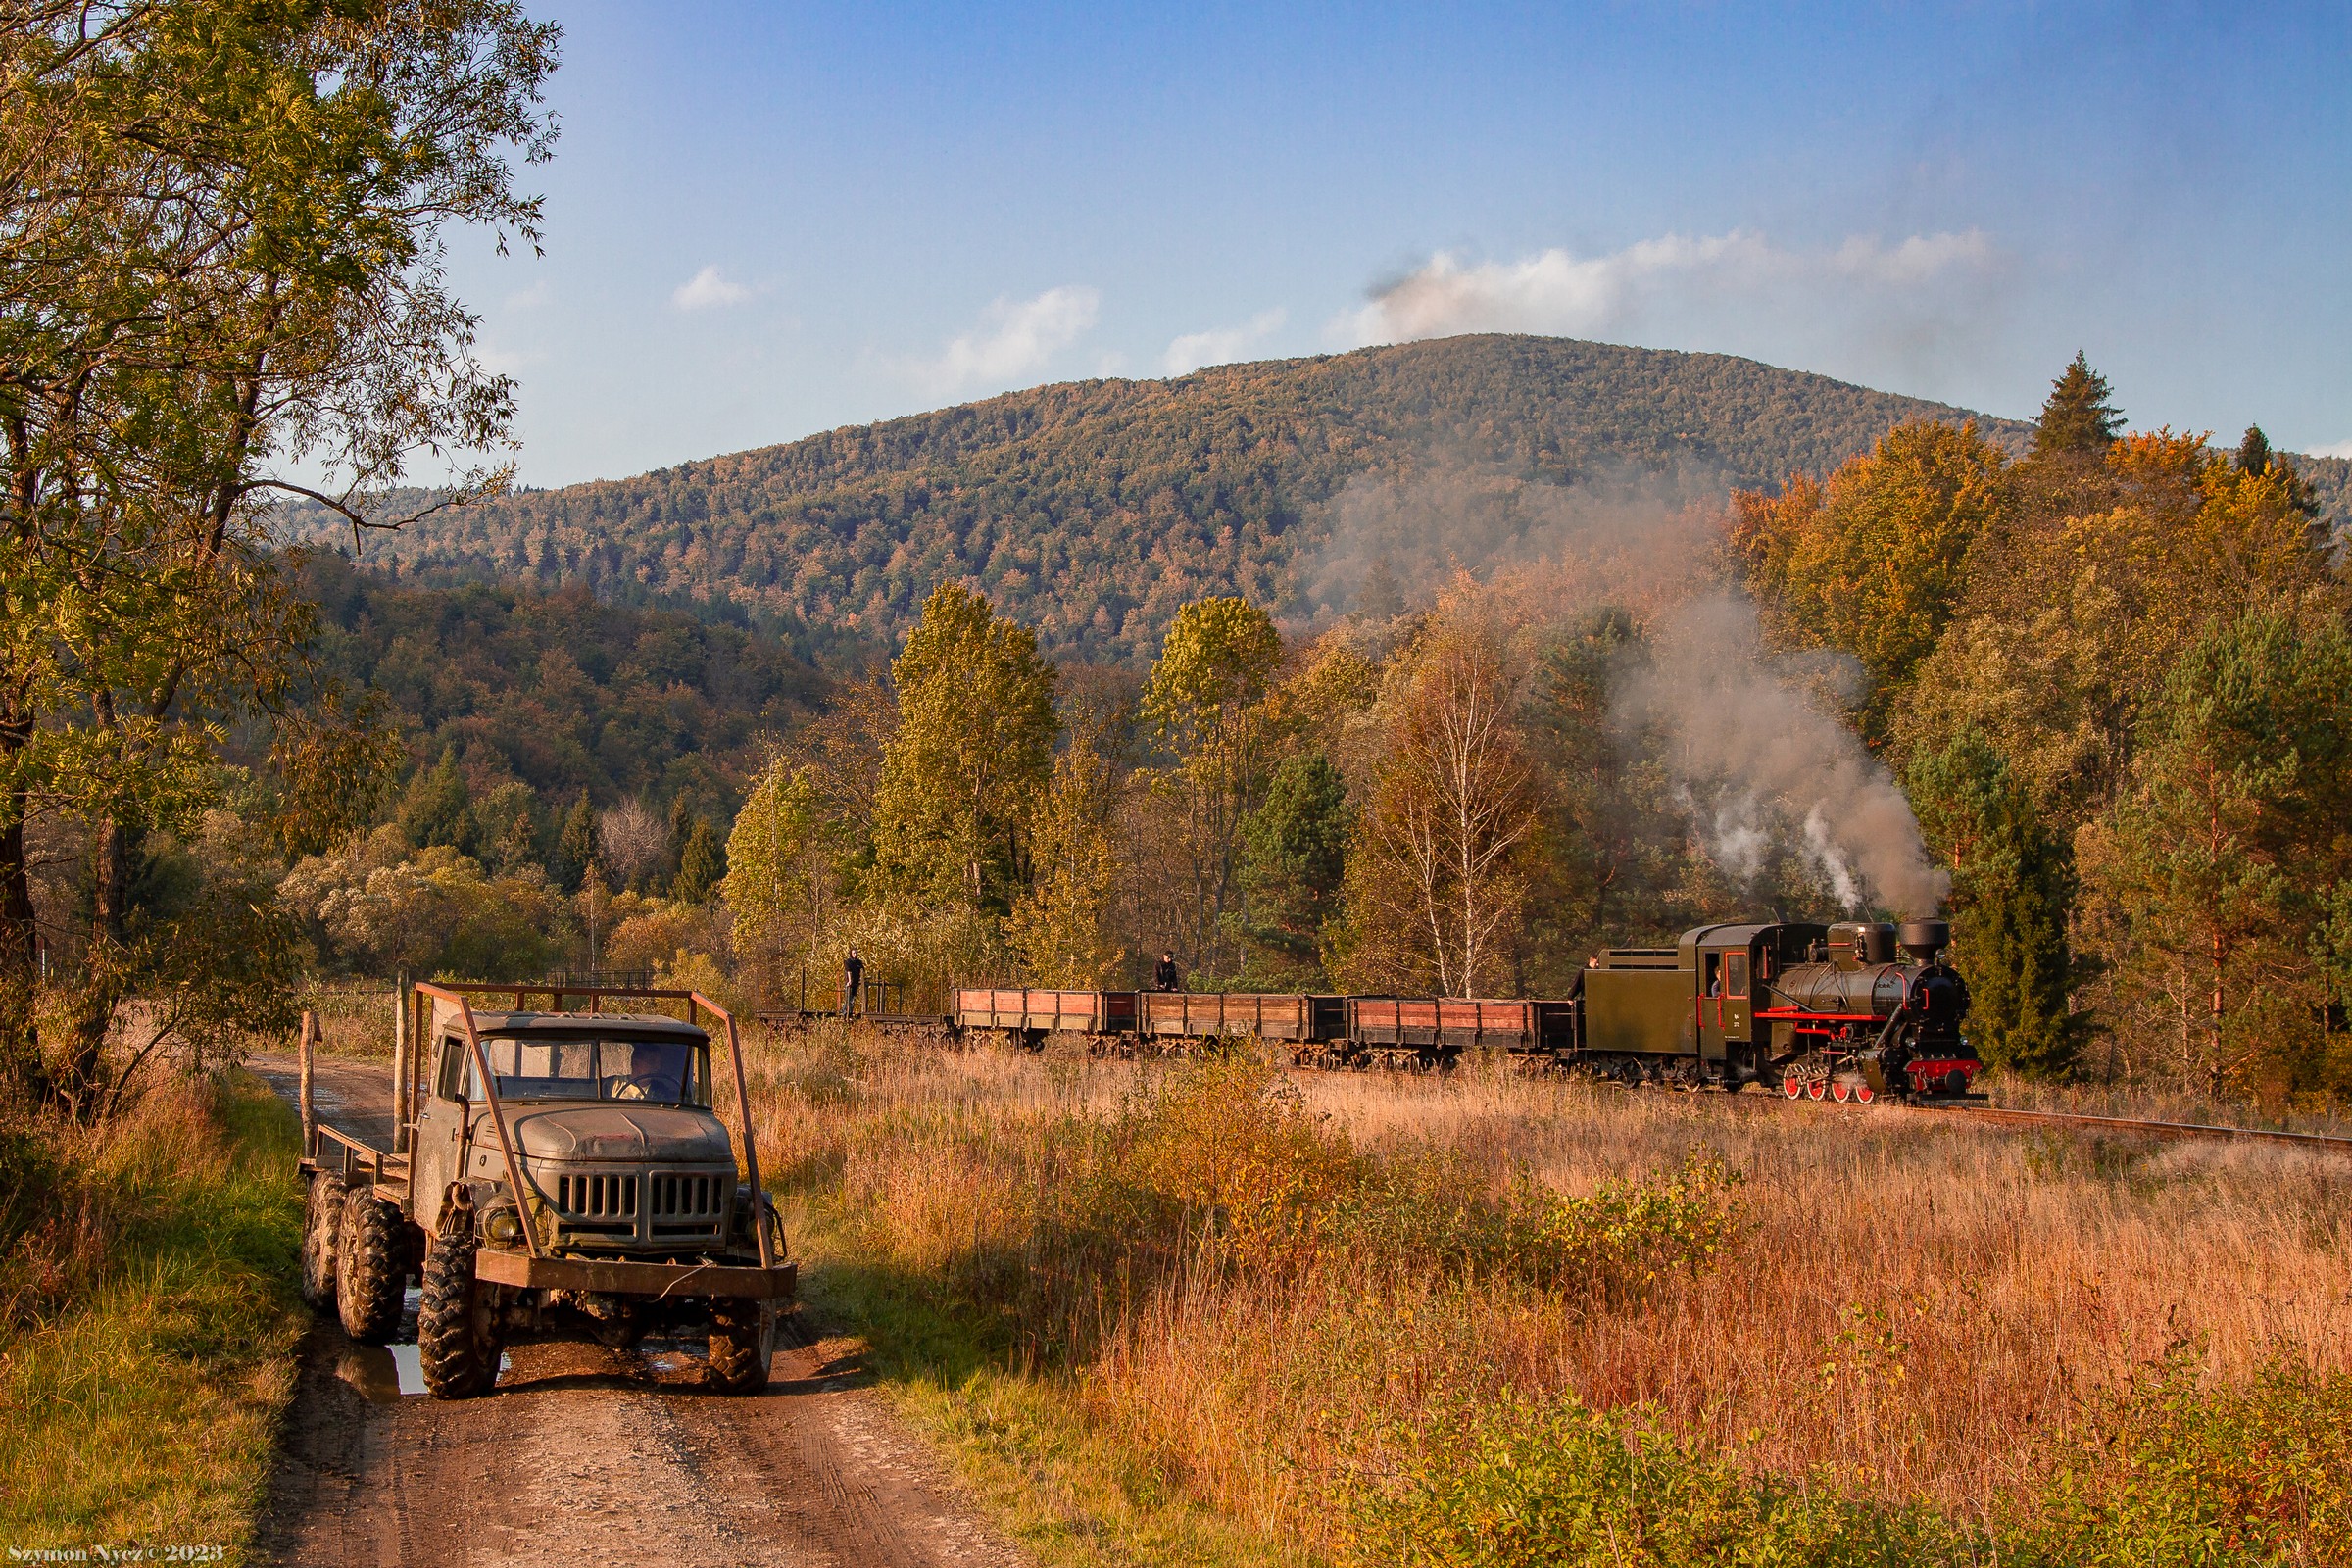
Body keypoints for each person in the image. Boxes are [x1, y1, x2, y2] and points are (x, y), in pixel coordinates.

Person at [843, 947, 864, 1018]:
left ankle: (850, 1011)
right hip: (849, 983)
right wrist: (849, 981)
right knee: (848, 998)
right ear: (851, 953)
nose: (855, 954)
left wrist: (862, 979)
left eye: (856, 953)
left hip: (856, 982)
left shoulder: (859, 962)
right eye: (853, 953)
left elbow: (862, 970)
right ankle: (844, 1012)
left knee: (853, 998)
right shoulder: (848, 962)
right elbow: (848, 971)